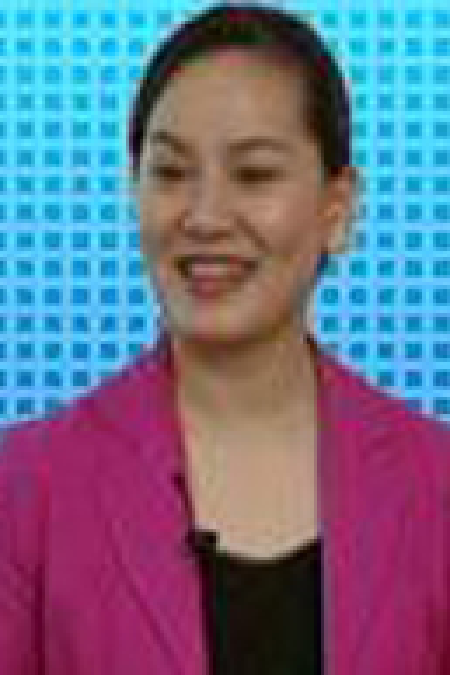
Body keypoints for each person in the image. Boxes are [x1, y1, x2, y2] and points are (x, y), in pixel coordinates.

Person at [0, 3, 449, 674]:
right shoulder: (25, 487)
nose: (205, 217)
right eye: (171, 172)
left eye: (254, 174)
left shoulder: (436, 485)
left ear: (338, 208)